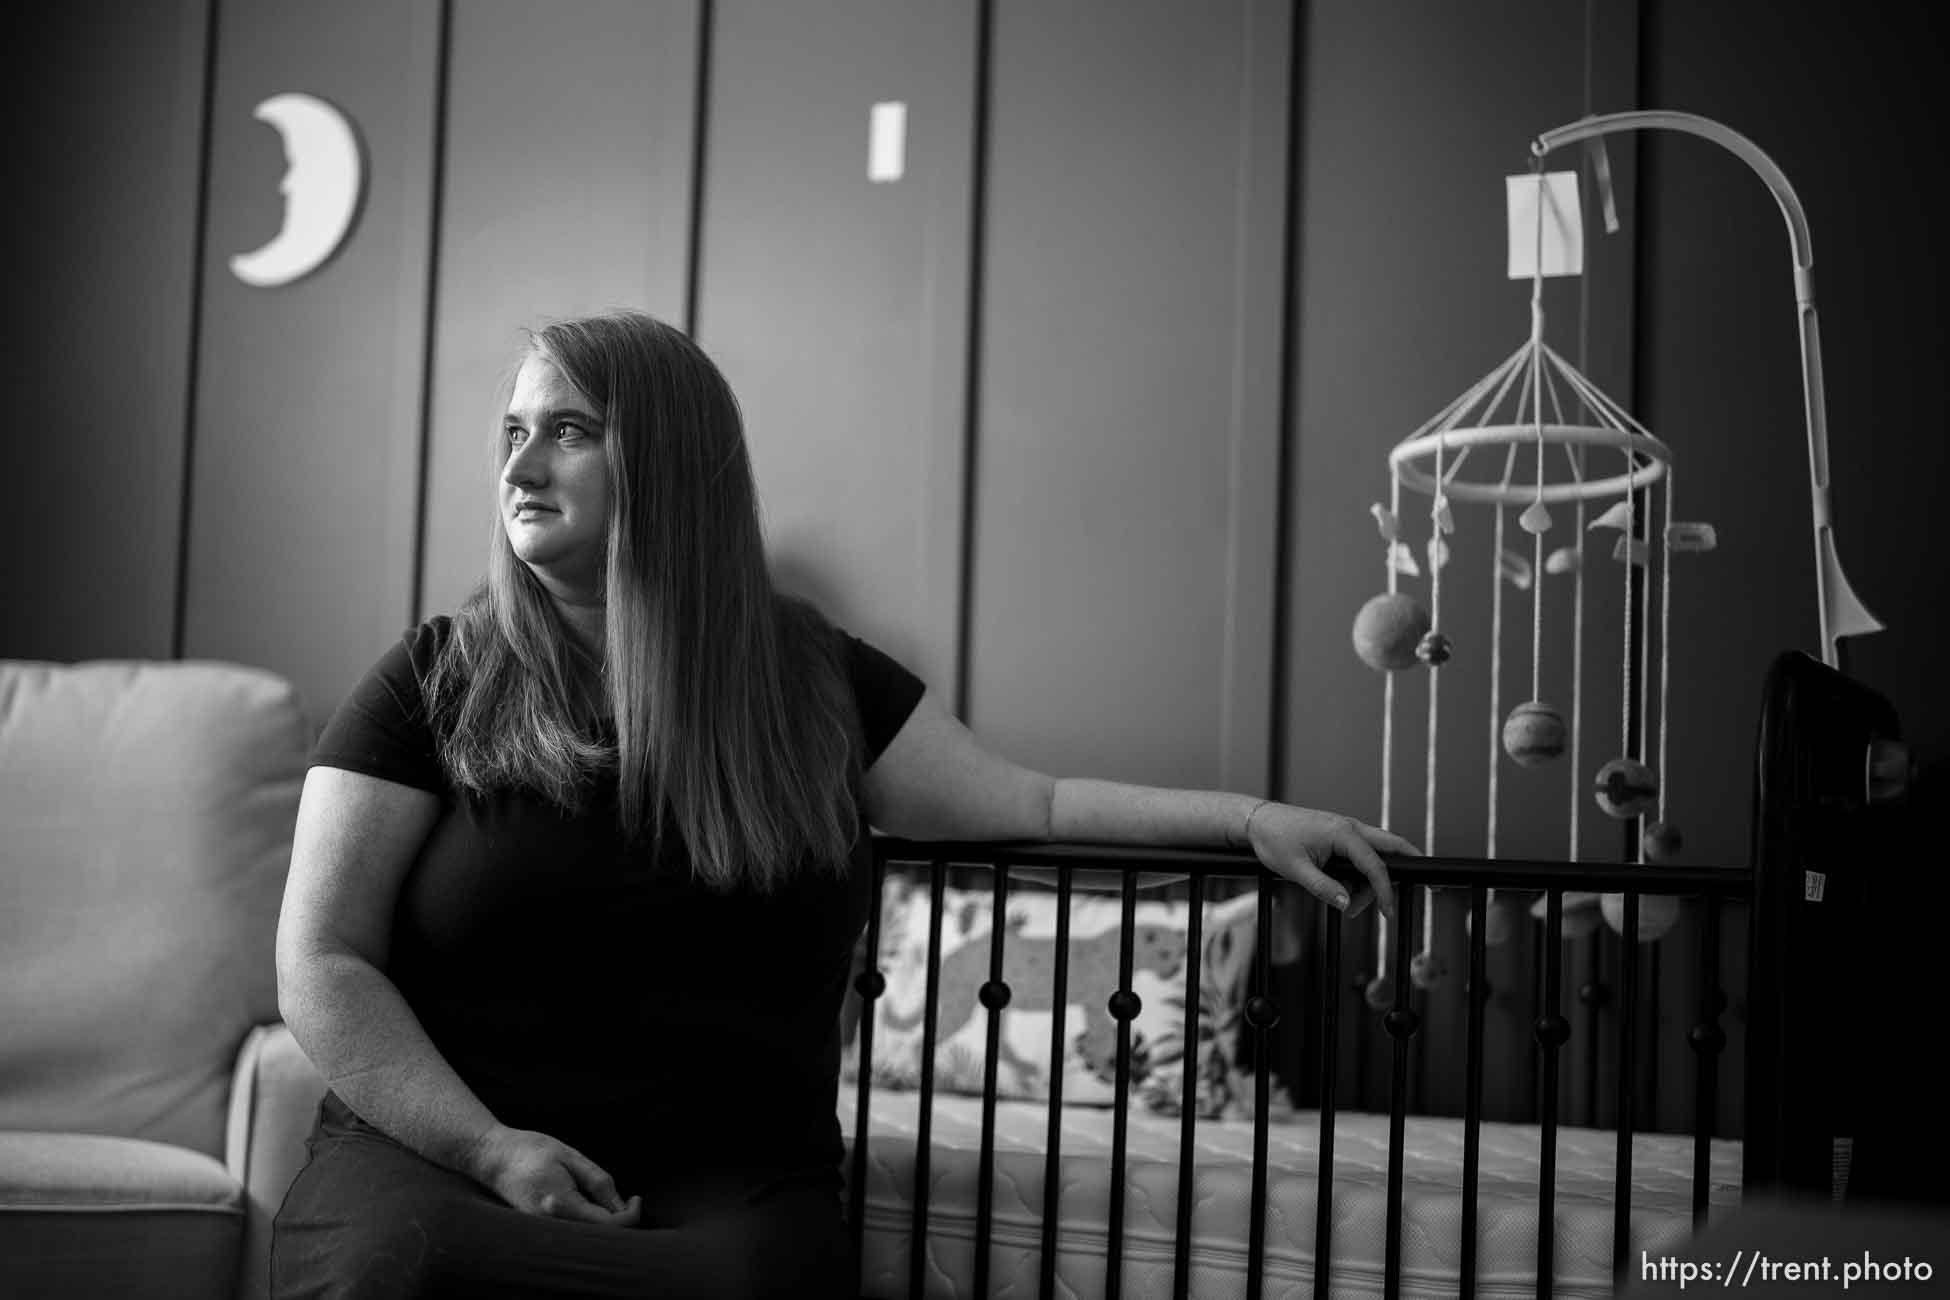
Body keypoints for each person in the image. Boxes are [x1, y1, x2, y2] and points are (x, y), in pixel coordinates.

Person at [269, 309, 1412, 1299]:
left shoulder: (812, 682)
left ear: (671, 460)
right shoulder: (432, 680)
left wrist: (1248, 820)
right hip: (435, 1162)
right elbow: (323, 958)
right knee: (394, 1271)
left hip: (723, 1188)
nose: (521, 466)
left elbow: (1037, 800)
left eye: (569, 430)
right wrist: (488, 1148)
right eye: (513, 432)